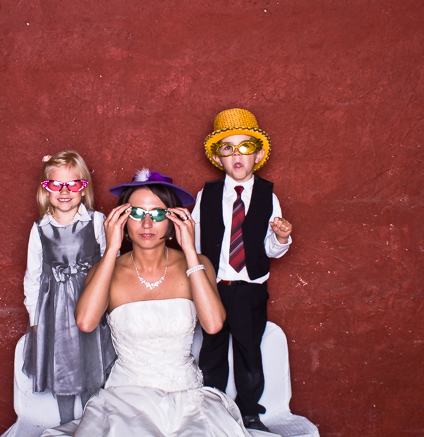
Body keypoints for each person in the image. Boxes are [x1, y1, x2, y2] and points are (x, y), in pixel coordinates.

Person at [42, 169, 277, 437]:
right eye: (137, 213)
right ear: (122, 219)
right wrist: (110, 249)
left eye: (157, 214)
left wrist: (189, 250)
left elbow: (213, 325)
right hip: (125, 400)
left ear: (173, 220)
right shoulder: (106, 270)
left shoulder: (198, 264)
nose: (146, 224)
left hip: (187, 398)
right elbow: (85, 322)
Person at [191, 108, 293, 432]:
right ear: (217, 158)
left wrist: (280, 236)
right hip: (216, 286)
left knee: (249, 349)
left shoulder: (268, 196)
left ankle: (250, 410)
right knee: (213, 348)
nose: (237, 155)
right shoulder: (205, 196)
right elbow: (193, 242)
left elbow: (268, 249)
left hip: (250, 287)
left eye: (245, 147)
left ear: (258, 154)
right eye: (227, 148)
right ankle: (212, 404)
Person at [22, 151, 116, 425]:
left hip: (91, 302)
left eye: (73, 184)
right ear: (45, 189)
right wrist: (35, 320)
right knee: (62, 366)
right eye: (56, 185)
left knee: (92, 363)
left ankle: (92, 423)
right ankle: (66, 425)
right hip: (56, 312)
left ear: (84, 187)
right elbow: (33, 276)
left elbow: (111, 264)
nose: (65, 192)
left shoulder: (96, 222)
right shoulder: (40, 228)